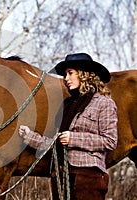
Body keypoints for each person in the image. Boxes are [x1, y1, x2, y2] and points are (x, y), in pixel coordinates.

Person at [19, 53, 118, 200]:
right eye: (65, 74)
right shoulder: (67, 106)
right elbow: (55, 143)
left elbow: (110, 141)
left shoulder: (104, 103)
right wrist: (29, 136)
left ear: (84, 74)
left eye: (70, 73)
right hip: (61, 176)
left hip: (87, 178)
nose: (66, 78)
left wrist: (74, 139)